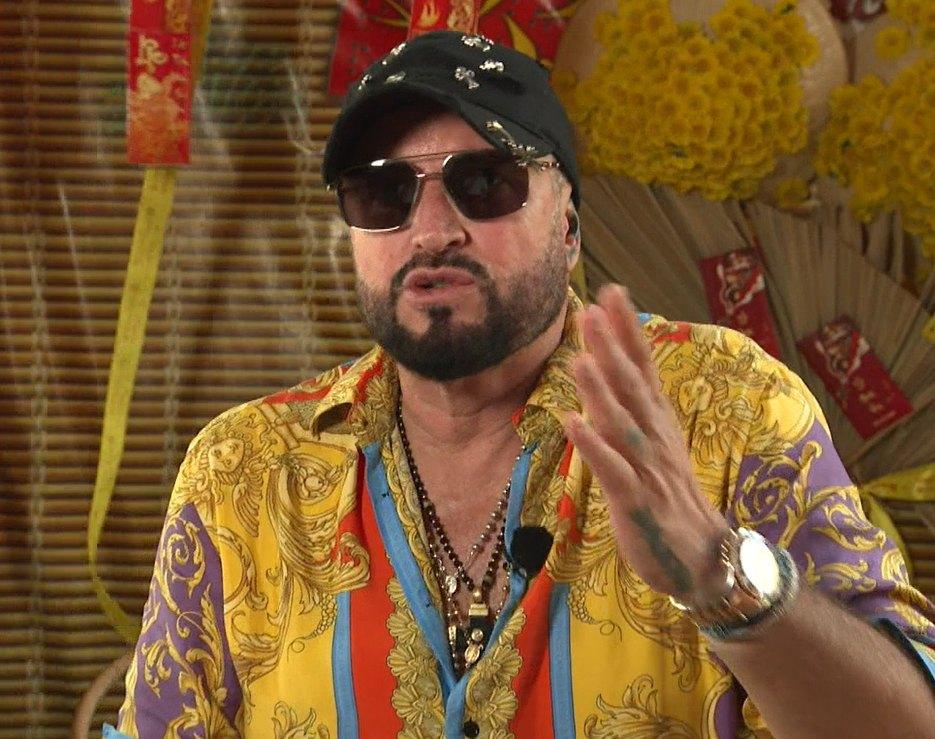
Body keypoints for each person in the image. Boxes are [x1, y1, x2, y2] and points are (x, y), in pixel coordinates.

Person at [108, 31, 934, 738]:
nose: (431, 230)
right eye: (383, 192)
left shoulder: (726, 404)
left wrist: (720, 577)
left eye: (483, 182)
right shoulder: (242, 471)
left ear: (567, 227)